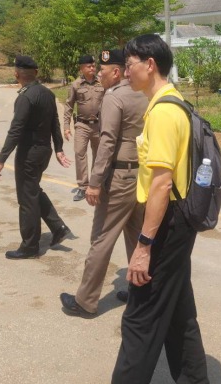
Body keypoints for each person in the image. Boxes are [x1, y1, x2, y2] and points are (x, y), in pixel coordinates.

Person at [111, 34, 208, 384]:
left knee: (141, 316)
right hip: (176, 220)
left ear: (150, 65)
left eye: (129, 65)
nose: (125, 73)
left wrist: (143, 245)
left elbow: (162, 183)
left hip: (166, 223)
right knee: (179, 312)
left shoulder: (165, 112)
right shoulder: (169, 102)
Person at [60, 49, 149, 318]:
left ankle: (85, 301)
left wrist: (94, 182)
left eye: (103, 69)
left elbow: (107, 142)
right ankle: (142, 293)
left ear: (118, 71)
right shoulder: (145, 94)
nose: (99, 73)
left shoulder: (115, 97)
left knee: (102, 237)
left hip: (118, 177)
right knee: (136, 236)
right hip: (139, 175)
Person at [0, 55, 72, 259]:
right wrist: (58, 148)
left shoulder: (26, 97)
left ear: (16, 74)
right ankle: (58, 227)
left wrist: (1, 160)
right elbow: (55, 122)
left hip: (29, 154)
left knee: (27, 200)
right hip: (43, 151)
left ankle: (29, 246)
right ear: (35, 73)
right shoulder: (47, 93)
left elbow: (15, 130)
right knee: (33, 190)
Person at [63, 54, 105, 201]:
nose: (92, 68)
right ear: (82, 68)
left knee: (99, 156)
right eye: (89, 66)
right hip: (82, 125)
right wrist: (66, 127)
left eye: (93, 65)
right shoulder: (76, 85)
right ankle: (82, 187)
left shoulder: (101, 83)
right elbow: (68, 106)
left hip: (99, 125)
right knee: (80, 153)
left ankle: (95, 184)